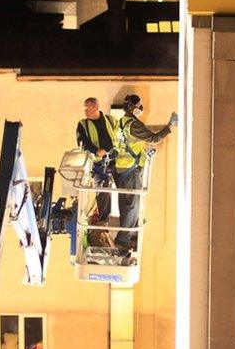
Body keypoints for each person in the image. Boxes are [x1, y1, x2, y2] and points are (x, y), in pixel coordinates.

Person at [114, 94, 178, 250]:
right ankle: (123, 239)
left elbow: (130, 144)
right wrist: (170, 125)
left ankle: (125, 234)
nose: (141, 108)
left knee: (125, 204)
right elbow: (154, 138)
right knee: (132, 205)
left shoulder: (121, 122)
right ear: (133, 108)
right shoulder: (134, 125)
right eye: (139, 105)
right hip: (131, 168)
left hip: (120, 167)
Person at [76, 97, 119, 223]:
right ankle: (103, 224)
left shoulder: (110, 120)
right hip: (97, 164)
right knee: (102, 193)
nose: (84, 111)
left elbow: (119, 136)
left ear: (95, 107)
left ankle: (126, 222)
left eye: (86, 108)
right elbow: (82, 143)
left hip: (114, 160)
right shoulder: (83, 124)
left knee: (123, 190)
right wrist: (96, 150)